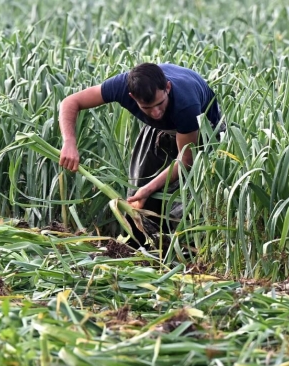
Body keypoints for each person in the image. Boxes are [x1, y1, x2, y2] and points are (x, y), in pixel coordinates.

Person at [57, 62, 224, 246]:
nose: (156, 112)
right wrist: (69, 142)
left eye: (159, 104)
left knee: (183, 203)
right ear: (131, 97)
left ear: (167, 87)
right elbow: (71, 102)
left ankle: (182, 251)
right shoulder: (122, 86)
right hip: (161, 130)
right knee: (138, 195)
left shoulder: (186, 104)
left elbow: (186, 161)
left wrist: (149, 189)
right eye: (147, 108)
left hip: (202, 134)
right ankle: (139, 247)